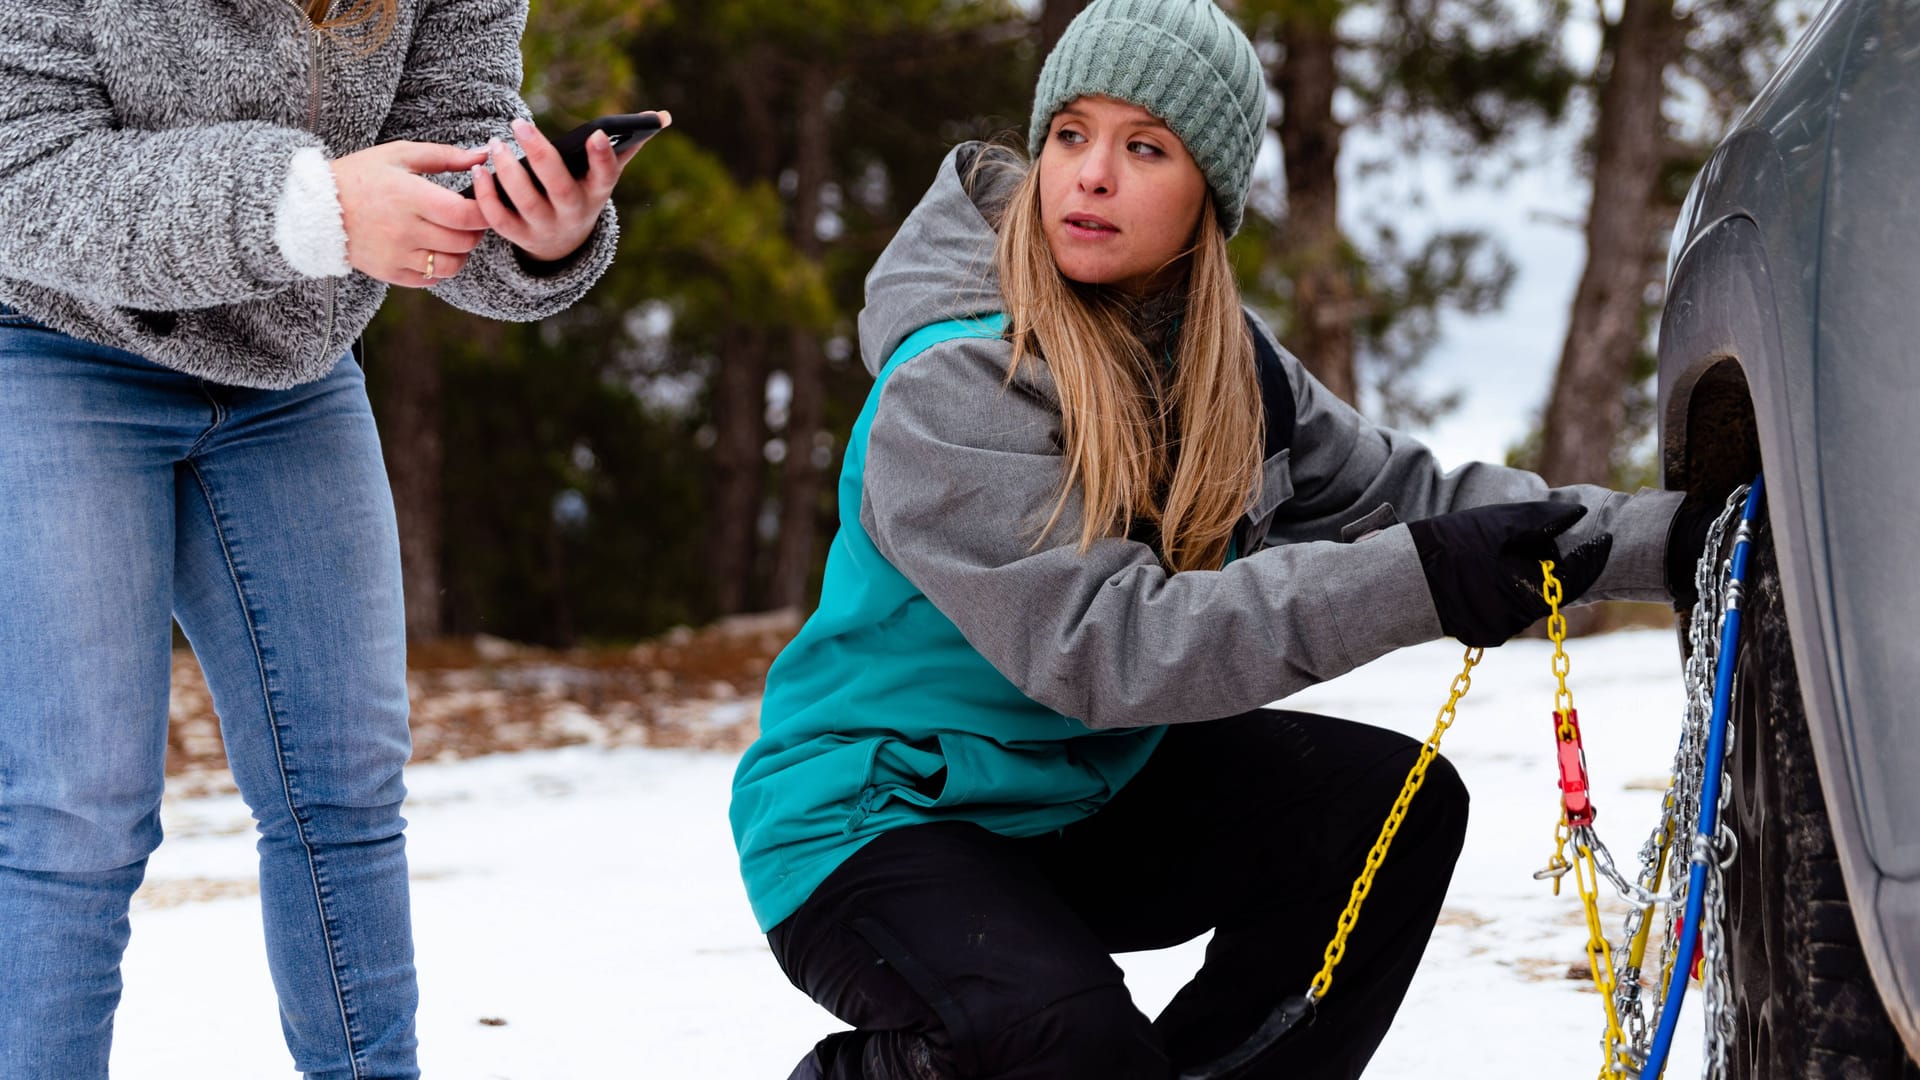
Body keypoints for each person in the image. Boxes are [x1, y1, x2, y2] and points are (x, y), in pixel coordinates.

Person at [730, 1, 1716, 1077]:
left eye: (1144, 146)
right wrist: (1422, 583)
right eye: (1071, 134)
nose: (1091, 174)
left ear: (1211, 189)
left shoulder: (1228, 372)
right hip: (878, 817)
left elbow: (1412, 497)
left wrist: (1682, 546)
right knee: (1062, 1042)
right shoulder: (959, 380)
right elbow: (1107, 649)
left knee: (1386, 812)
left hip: (1081, 797)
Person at [0, 0, 662, 1075]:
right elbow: (21, 171)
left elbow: (449, 139)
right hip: (53, 338)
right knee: (75, 810)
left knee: (343, 791)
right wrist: (304, 204)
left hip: (291, 371)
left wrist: (536, 230)